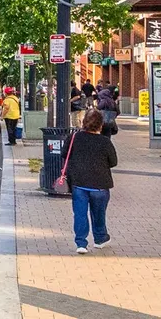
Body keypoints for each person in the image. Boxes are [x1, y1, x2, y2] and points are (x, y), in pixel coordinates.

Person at [64, 108, 117, 254]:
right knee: (99, 213)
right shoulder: (105, 142)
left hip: (79, 182)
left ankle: (81, 243)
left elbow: (64, 154)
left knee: (80, 214)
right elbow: (113, 162)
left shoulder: (74, 137)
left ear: (83, 122)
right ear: (100, 125)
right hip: (100, 184)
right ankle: (100, 238)